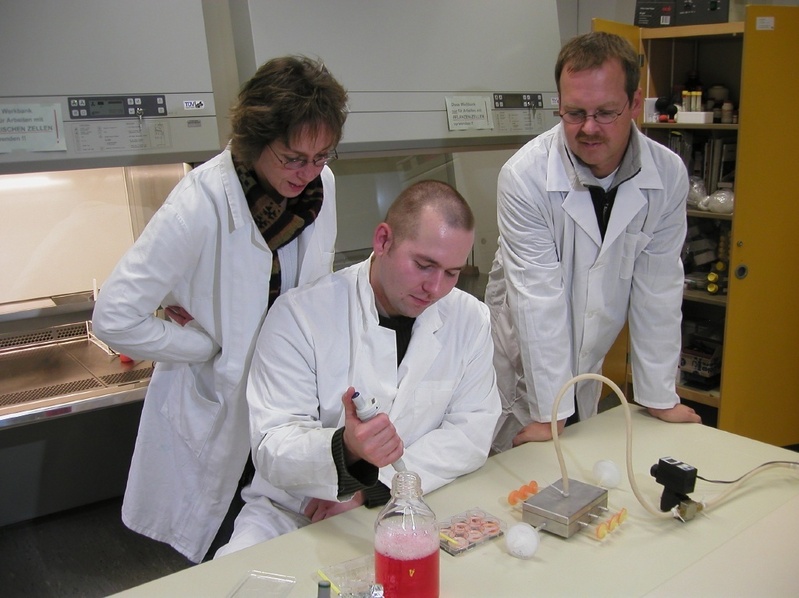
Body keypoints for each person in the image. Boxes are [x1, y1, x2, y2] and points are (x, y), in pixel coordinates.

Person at [92, 56, 348, 563]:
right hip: (221, 413)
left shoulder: (323, 189)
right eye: (294, 157)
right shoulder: (201, 200)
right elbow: (114, 316)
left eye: (322, 155)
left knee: (291, 554)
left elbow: (313, 300)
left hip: (287, 402)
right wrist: (205, 344)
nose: (309, 172)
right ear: (256, 140)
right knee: (220, 552)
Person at [214, 180, 500, 556]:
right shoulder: (300, 316)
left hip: (407, 505)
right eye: (424, 265)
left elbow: (471, 432)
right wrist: (344, 449)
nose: (435, 288)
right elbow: (272, 445)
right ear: (383, 240)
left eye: (451, 272)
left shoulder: (470, 318)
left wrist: (371, 486)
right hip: (295, 513)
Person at [486, 32, 701, 452]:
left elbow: (658, 288)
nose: (588, 128)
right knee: (516, 470)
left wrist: (658, 396)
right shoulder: (524, 177)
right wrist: (549, 412)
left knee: (578, 458)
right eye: (573, 113)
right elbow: (537, 298)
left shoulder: (667, 174)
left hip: (589, 355)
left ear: (635, 104)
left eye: (605, 113)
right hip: (521, 362)